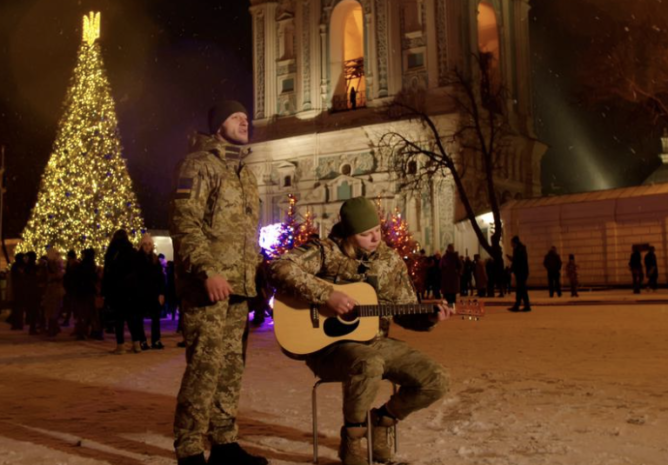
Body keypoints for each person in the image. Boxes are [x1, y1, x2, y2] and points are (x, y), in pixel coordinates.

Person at [269, 197, 453, 465]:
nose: (375, 237)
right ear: (349, 233)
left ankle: (380, 422)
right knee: (369, 363)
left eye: (377, 230)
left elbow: (405, 310)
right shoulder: (325, 251)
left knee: (437, 379)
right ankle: (352, 438)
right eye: (366, 234)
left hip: (376, 341)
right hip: (329, 348)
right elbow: (278, 267)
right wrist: (327, 295)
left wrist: (429, 317)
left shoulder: (389, 260)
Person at [171, 100, 267, 465]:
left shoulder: (245, 173)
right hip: (206, 288)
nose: (245, 121)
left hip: (240, 289)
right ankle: (190, 449)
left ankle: (224, 444)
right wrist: (207, 271)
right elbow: (185, 224)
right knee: (204, 369)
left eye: (246, 117)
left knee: (231, 368)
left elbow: (247, 235)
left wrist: (257, 275)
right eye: (235, 117)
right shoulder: (198, 165)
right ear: (218, 126)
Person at [103, 230, 143, 354]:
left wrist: (105, 290)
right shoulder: (132, 252)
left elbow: (108, 272)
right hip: (131, 289)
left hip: (117, 289)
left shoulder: (113, 252)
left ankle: (120, 345)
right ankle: (136, 343)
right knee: (132, 317)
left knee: (119, 317)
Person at [137, 234, 166, 349]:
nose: (147, 247)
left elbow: (160, 277)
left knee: (156, 317)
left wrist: (161, 292)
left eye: (149, 244)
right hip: (141, 292)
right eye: (145, 244)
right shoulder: (137, 258)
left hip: (154, 292)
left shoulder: (155, 259)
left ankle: (156, 340)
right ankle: (142, 340)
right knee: (140, 317)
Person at [507, 236, 531, 312]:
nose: (511, 244)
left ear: (515, 242)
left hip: (522, 272)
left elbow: (518, 261)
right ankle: (524, 305)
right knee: (521, 289)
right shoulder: (518, 249)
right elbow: (516, 261)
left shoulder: (519, 249)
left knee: (521, 289)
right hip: (521, 272)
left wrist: (512, 260)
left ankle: (519, 305)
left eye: (512, 242)